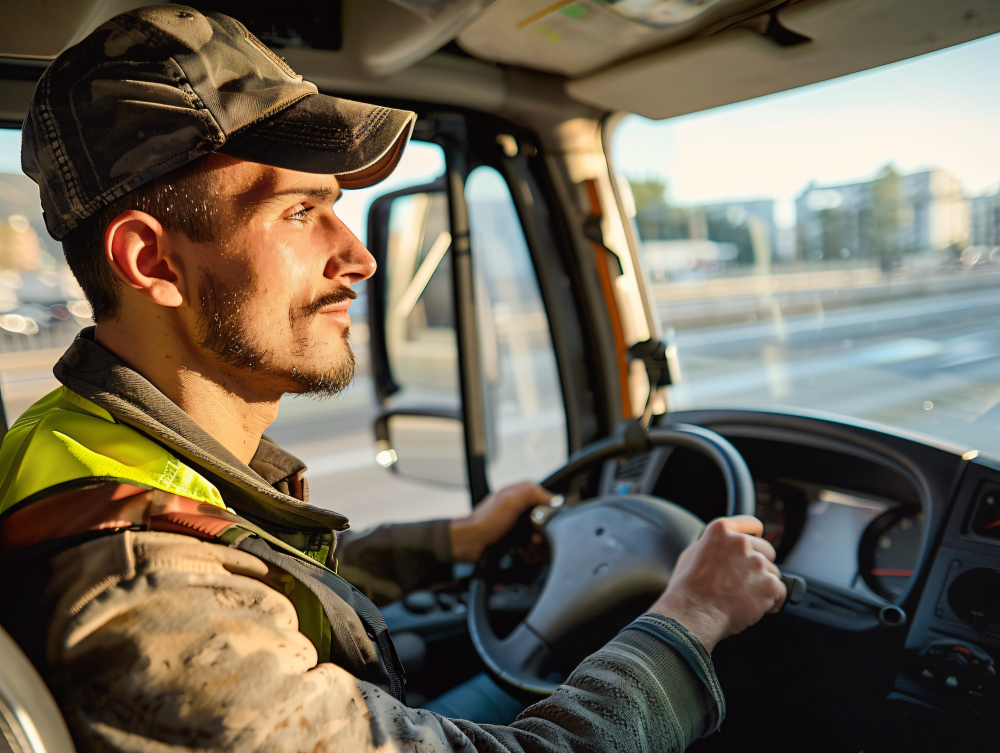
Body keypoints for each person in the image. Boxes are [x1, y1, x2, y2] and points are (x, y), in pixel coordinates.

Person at [0, 6, 786, 751]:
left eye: (337, 207)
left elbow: (253, 566)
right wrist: (691, 615)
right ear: (152, 261)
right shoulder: (157, 606)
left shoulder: (82, 447)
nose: (361, 257)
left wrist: (450, 541)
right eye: (301, 213)